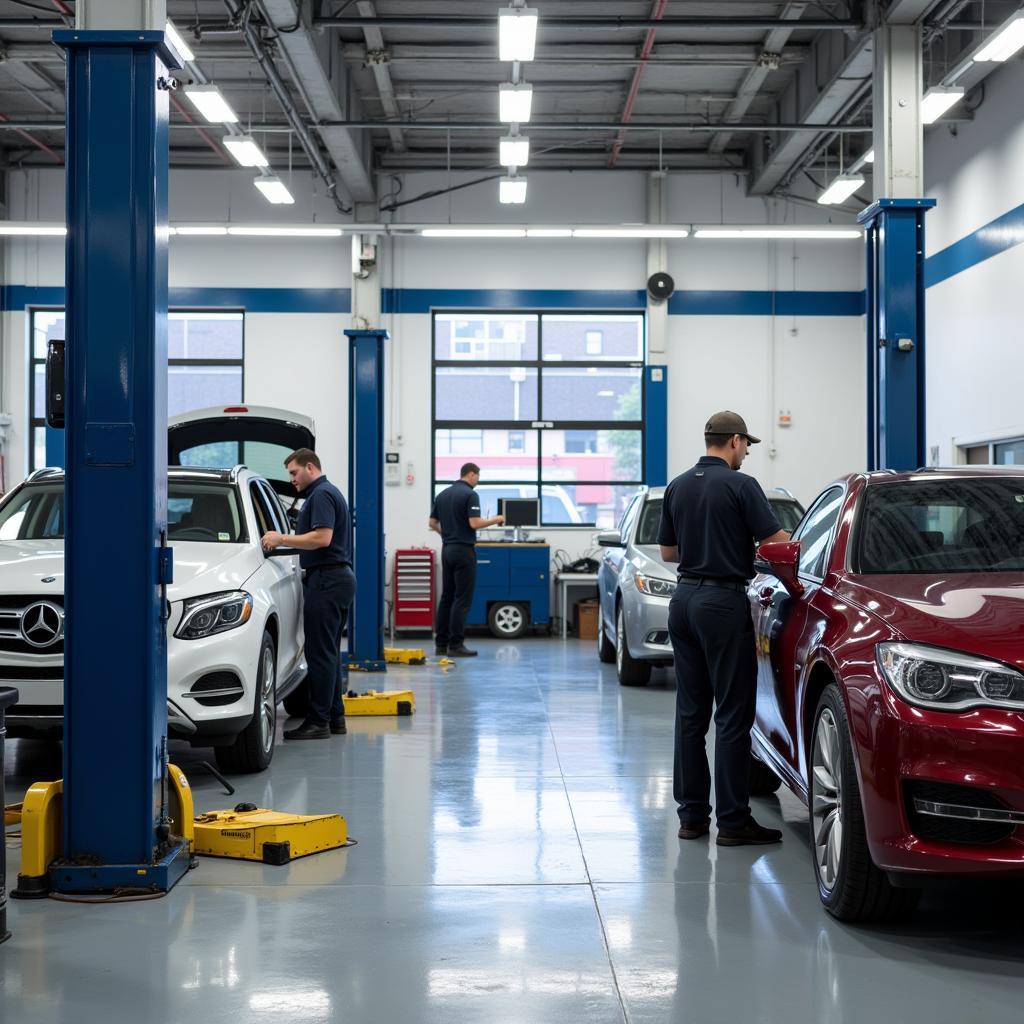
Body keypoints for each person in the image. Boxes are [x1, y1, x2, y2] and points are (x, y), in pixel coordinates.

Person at [657, 411, 790, 846]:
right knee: (733, 715)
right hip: (722, 603)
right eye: (746, 446)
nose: (747, 453)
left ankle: (691, 818)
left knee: (690, 715)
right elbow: (778, 542)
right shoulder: (741, 485)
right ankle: (733, 822)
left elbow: (668, 551)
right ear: (734, 441)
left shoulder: (677, 485)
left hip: (683, 602)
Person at [262, 448, 355, 740]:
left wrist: (280, 538)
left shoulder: (321, 495)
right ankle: (335, 718)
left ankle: (318, 723)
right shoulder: (326, 493)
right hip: (336, 578)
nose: (291, 480)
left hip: (327, 580)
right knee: (330, 653)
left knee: (319, 654)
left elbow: (321, 537)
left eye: (294, 473)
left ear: (310, 467)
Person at [428, 463, 504, 657]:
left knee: (447, 597)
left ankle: (441, 645)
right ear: (471, 474)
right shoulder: (470, 494)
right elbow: (474, 523)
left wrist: (447, 535)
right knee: (462, 599)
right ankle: (456, 645)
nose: (478, 480)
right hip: (463, 550)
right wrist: (496, 519)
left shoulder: (443, 494)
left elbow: (432, 523)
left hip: (447, 549)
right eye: (477, 476)